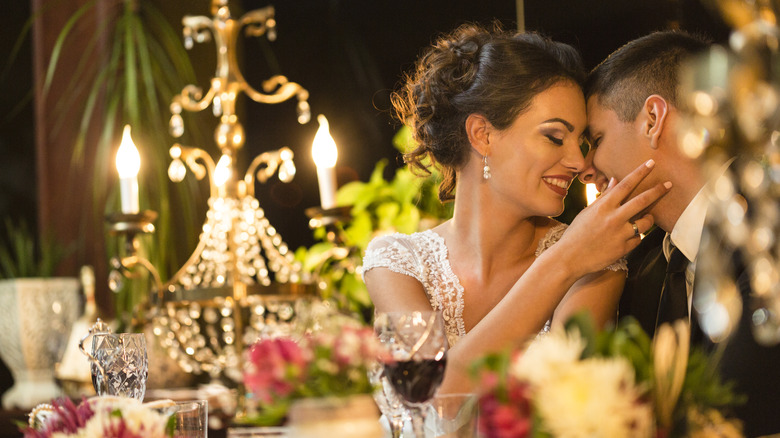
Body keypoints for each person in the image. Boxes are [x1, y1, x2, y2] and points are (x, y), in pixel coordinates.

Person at [362, 23, 671, 394]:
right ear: (482, 135)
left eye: (582, 141)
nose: (578, 161)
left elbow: (563, 413)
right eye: (555, 137)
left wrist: (573, 254)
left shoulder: (598, 262)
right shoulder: (397, 262)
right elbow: (430, 397)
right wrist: (565, 260)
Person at [585, 29, 780, 436]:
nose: (586, 168)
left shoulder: (766, 232)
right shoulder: (638, 265)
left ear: (653, 120)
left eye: (596, 140)